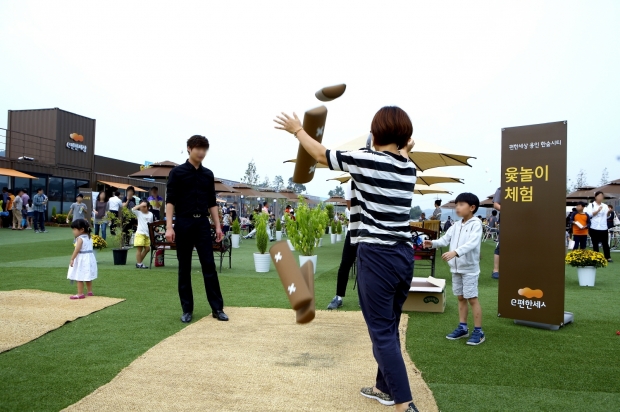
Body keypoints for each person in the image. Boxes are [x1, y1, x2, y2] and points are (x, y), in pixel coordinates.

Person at [275, 106, 419, 412]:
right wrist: (404, 144)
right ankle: (385, 389)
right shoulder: (409, 167)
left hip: (377, 256)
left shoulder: (366, 159)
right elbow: (405, 151)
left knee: (381, 332)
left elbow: (320, 155)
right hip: (403, 255)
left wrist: (297, 130)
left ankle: (405, 405)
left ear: (376, 132)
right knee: (389, 327)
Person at [165, 135, 228, 323]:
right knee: (184, 267)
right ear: (189, 149)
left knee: (209, 266)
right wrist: (169, 226)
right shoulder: (176, 173)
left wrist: (217, 226)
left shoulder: (208, 175)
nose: (201, 152)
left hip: (202, 223)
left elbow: (212, 203)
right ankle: (187, 310)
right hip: (183, 222)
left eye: (204, 149)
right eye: (198, 148)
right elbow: (170, 201)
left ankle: (217, 309)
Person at [423, 193, 484, 346]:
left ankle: (478, 331)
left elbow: (472, 243)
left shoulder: (476, 224)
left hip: (469, 269)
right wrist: (433, 243)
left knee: (472, 299)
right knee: (461, 297)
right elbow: (445, 239)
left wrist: (455, 252)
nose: (457, 207)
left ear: (472, 208)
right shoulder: (456, 225)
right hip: (456, 269)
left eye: (461, 205)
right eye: (456, 204)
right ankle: (463, 327)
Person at [327, 179, 358, 310]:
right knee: (345, 264)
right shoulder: (351, 183)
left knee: (367, 266)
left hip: (370, 232)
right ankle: (338, 297)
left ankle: (365, 298)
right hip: (354, 230)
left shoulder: (372, 180)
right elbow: (351, 207)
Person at [67, 219, 98, 299]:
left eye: (74, 229)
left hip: (82, 259)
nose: (73, 231)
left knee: (79, 276)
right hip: (89, 258)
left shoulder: (80, 239)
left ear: (81, 229)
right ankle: (89, 291)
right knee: (88, 276)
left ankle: (80, 293)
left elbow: (77, 250)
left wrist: (72, 259)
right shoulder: (89, 237)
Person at [586, 191, 612, 262]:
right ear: (596, 197)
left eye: (602, 196)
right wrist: (597, 210)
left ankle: (607, 257)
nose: (600, 197)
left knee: (605, 243)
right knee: (595, 243)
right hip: (594, 227)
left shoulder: (605, 206)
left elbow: (607, 216)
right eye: (599, 196)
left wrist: (609, 212)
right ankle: (596, 257)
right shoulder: (591, 205)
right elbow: (589, 215)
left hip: (603, 227)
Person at [132, 200, 153, 269]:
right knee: (139, 249)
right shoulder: (139, 213)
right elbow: (133, 209)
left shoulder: (151, 214)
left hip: (147, 234)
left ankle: (139, 262)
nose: (142, 208)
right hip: (140, 233)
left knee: (147, 249)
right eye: (141, 206)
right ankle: (139, 263)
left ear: (148, 207)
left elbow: (151, 224)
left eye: (144, 206)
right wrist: (140, 205)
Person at [491, 186, 501, 279]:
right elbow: (496, 204)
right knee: (501, 246)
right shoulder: (501, 189)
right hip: (507, 220)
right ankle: (496, 270)